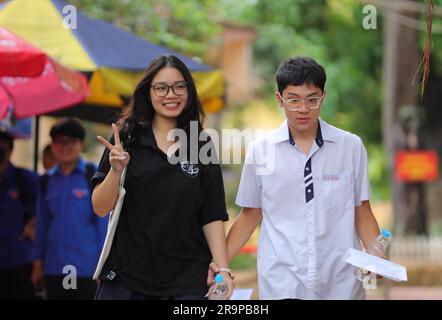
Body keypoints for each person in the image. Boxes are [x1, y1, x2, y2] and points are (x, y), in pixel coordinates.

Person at [210, 56, 383, 300]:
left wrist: (378, 256)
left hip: (340, 282)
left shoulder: (350, 147)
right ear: (279, 99)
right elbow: (250, 214)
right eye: (294, 100)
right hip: (282, 280)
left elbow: (362, 209)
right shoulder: (261, 150)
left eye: (312, 100)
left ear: (323, 96)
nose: (303, 109)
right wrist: (220, 265)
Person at [91, 55, 233, 300]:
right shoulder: (126, 139)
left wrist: (224, 270)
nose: (171, 94)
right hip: (128, 278)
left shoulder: (201, 144)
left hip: (187, 281)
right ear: (148, 92)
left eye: (179, 86)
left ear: (188, 91)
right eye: (161, 88)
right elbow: (100, 208)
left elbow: (211, 214)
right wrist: (115, 170)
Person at [32, 118, 107, 300]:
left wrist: (102, 265)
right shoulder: (46, 180)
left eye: (70, 141)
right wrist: (38, 263)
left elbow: (103, 223)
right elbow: (41, 225)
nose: (64, 147)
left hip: (85, 268)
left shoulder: (93, 175)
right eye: (59, 141)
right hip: (54, 267)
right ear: (52, 146)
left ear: (81, 145)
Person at [0, 130, 38, 299]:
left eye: (2, 150)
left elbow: (46, 209)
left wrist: (34, 222)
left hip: (19, 262)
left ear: (10, 150)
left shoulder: (24, 178)